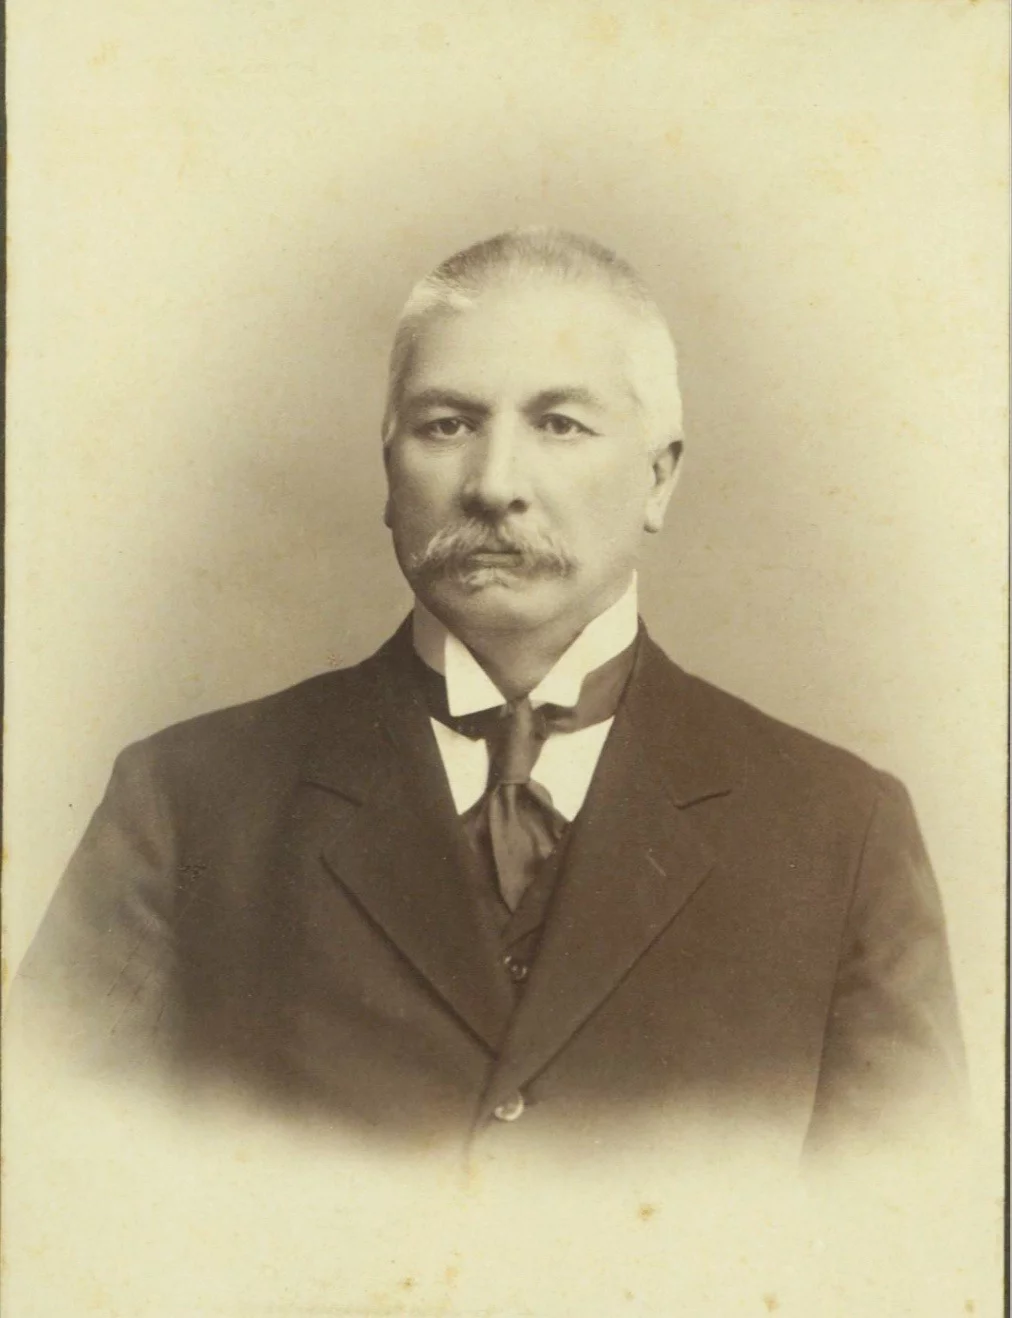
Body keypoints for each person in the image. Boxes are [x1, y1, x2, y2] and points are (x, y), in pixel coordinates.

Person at [12, 228, 965, 1160]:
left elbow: (896, 1233)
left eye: (560, 424)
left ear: (658, 478)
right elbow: (49, 1197)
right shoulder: (185, 802)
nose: (494, 484)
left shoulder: (842, 830)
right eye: (448, 424)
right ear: (390, 467)